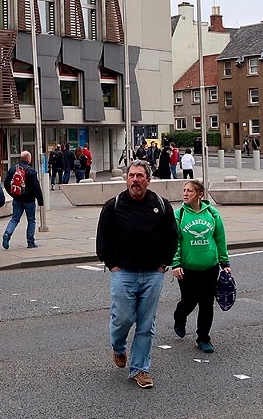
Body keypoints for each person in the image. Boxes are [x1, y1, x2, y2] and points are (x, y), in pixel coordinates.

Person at [96, 160, 178, 389]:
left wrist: (164, 264)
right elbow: (103, 238)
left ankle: (140, 369)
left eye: (140, 176)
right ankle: (119, 347)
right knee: (122, 318)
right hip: (124, 273)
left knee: (145, 324)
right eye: (131, 175)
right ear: (126, 179)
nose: (135, 180)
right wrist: (112, 264)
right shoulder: (114, 205)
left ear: (148, 180)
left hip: (153, 273)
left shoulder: (161, 205)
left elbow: (172, 236)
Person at [171, 180, 231, 354]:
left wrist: (224, 262)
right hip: (187, 268)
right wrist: (176, 263)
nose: (185, 194)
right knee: (189, 301)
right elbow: (176, 241)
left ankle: (203, 338)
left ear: (200, 194)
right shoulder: (179, 214)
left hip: (209, 267)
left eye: (189, 191)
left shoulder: (212, 213)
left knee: (206, 303)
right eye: (184, 190)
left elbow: (220, 238)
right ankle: (180, 316)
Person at [1, 150, 44, 249]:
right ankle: (30, 241)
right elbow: (36, 187)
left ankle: (7, 233)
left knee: (15, 219)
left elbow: (7, 183)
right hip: (29, 200)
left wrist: (13, 194)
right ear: (28, 159)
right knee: (31, 220)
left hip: (17, 199)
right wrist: (40, 200)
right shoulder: (31, 171)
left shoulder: (13, 169)